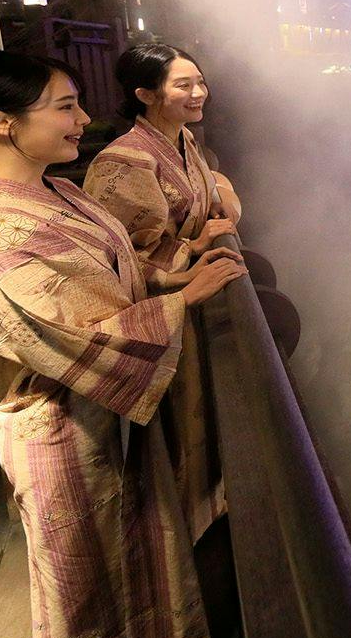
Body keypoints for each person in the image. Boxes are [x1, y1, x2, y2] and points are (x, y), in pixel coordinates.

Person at [0, 48, 246, 638]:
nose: (82, 118)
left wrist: (174, 276)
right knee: (97, 601)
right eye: (66, 106)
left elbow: (116, 271)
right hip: (70, 430)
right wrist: (182, 301)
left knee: (147, 573)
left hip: (107, 420)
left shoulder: (54, 192)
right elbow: (73, 333)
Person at [83, 43, 239, 541]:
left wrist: (203, 229)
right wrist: (191, 250)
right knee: (180, 429)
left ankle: (204, 523)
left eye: (200, 82)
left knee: (201, 420)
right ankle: (179, 537)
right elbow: (118, 256)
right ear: (145, 94)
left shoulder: (182, 141)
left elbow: (208, 204)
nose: (199, 93)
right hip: (163, 308)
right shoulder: (124, 161)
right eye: (183, 85)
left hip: (188, 298)